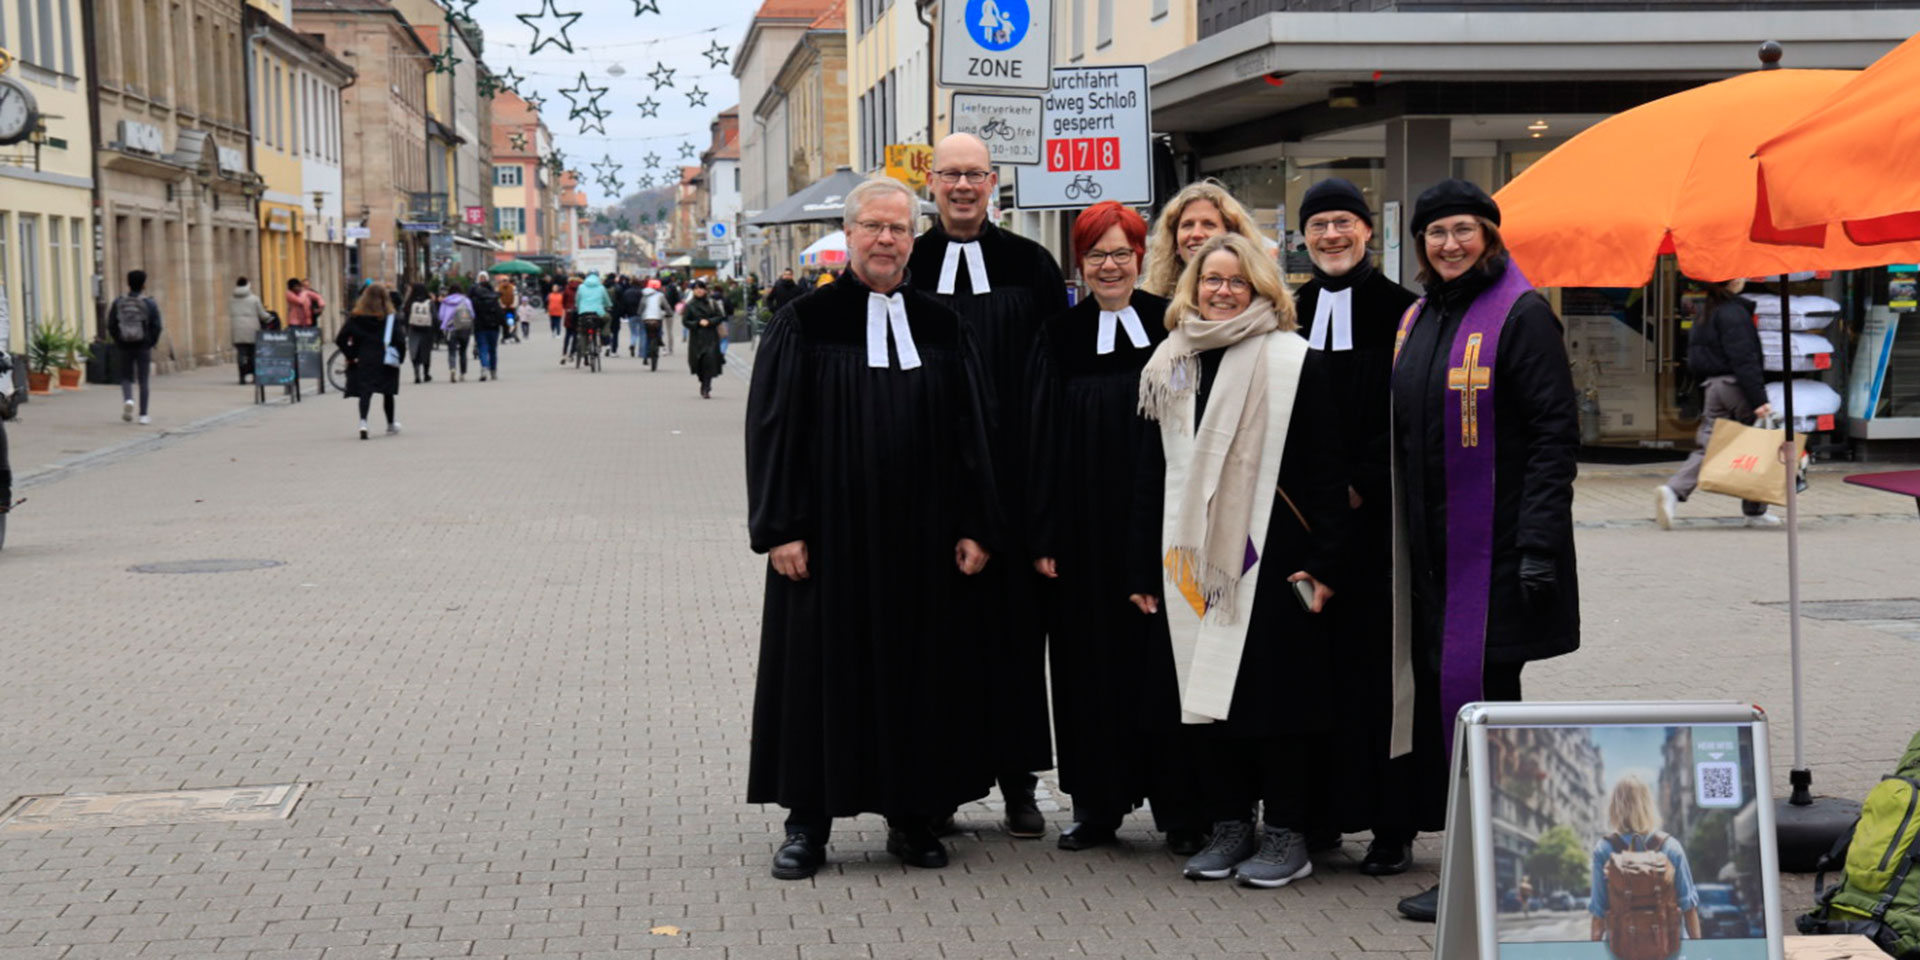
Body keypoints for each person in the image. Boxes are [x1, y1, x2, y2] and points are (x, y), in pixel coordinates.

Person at [745, 175, 999, 881]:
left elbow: (971, 434)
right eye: (873, 228)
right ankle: (808, 824)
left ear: (912, 238)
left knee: (918, 672)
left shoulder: (945, 327)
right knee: (818, 677)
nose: (886, 240)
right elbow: (773, 432)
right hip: (826, 542)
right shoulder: (805, 323)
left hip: (922, 541)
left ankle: (913, 816)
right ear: (850, 236)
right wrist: (781, 529)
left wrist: (978, 524)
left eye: (898, 228)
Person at [1129, 232, 1348, 889]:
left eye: (1236, 281)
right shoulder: (1171, 361)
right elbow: (1149, 475)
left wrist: (1325, 562)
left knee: (1274, 703)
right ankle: (1228, 824)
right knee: (1203, 696)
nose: (1222, 291)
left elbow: (1325, 471)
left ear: (1261, 289)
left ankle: (1286, 833)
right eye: (1210, 280)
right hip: (1192, 558)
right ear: (1191, 286)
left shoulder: (1292, 361)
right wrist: (1141, 568)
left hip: (1274, 555)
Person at [1389, 179, 1581, 922]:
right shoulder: (1419, 319)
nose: (1449, 245)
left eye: (1463, 230)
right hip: (1435, 561)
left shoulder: (1522, 315)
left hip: (1500, 560)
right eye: (1435, 234)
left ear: (1490, 235)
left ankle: (1500, 871)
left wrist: (1536, 545)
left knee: (1488, 710)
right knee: (1455, 711)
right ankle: (1488, 865)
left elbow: (1555, 439)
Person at [1026, 201, 1205, 855]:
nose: (1110, 264)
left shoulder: (1172, 325)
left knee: (1163, 670)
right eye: (1096, 254)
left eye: (1121, 252)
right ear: (1081, 262)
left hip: (1161, 523)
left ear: (1139, 256)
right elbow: (1039, 437)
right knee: (1085, 669)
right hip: (1081, 534)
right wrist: (1042, 534)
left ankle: (1180, 810)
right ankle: (1096, 807)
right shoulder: (1057, 335)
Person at [906, 132, 1068, 838]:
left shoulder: (1029, 263)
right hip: (932, 486)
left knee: (1015, 638)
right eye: (951, 175)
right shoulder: (907, 260)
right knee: (940, 640)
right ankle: (937, 783)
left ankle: (1019, 782)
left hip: (1017, 475)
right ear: (932, 182)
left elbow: (1056, 373)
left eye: (975, 174)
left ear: (994, 181)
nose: (963, 186)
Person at [1288, 179, 1424, 874]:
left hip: (1378, 526)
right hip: (1309, 523)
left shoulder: (1404, 312)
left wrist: (1360, 482)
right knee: (1314, 672)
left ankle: (1390, 827)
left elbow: (1408, 415)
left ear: (1369, 231)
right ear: (1303, 236)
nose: (1331, 236)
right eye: (1319, 226)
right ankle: (1317, 819)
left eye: (1343, 223)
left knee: (1379, 675)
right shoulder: (1290, 308)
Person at [1656, 278, 1779, 529]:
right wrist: (1759, 400)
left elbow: (1694, 356)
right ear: (1733, 281)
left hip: (1712, 386)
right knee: (1758, 442)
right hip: (1736, 386)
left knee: (1710, 445)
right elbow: (1744, 358)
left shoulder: (1705, 310)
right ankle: (1755, 511)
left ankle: (1673, 490)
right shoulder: (1734, 312)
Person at [1589, 776, 1701, 944]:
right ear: (1648, 805)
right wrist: (1698, 950)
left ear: (1615, 807)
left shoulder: (1604, 849)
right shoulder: (1670, 846)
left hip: (1621, 950)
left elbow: (1598, 913)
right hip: (1668, 949)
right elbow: (1688, 908)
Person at [1140, 181, 1264, 297]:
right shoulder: (1153, 305)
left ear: (1233, 236)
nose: (1196, 234)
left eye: (1208, 224)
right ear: (1174, 241)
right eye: (1187, 225)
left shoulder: (1260, 303)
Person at [335, 282, 405, 439]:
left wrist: (351, 354)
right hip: (385, 358)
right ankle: (390, 424)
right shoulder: (389, 318)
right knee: (388, 392)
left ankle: (363, 422)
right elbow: (399, 340)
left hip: (364, 358)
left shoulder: (356, 318)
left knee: (365, 392)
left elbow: (340, 338)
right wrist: (400, 357)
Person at [108, 269, 163, 425]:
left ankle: (129, 399)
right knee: (143, 379)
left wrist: (118, 339)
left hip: (124, 343)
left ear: (128, 283)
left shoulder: (119, 302)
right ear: (144, 285)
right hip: (143, 344)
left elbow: (111, 324)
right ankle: (143, 415)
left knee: (125, 376)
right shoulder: (149, 303)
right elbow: (157, 325)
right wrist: (150, 341)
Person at [684, 278, 726, 398]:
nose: (699, 291)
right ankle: (703, 381)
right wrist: (697, 323)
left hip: (711, 337)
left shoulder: (712, 303)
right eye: (696, 289)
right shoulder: (690, 305)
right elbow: (685, 321)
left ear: (705, 290)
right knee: (698, 364)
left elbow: (720, 316)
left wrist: (709, 321)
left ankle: (706, 387)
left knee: (709, 362)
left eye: (701, 288)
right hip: (696, 338)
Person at [229, 276, 272, 385]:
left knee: (241, 353)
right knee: (253, 353)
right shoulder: (254, 299)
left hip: (237, 329)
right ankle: (254, 376)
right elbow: (262, 314)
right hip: (252, 329)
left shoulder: (231, 299)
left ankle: (242, 376)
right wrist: (269, 318)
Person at [469, 272, 506, 381]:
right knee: (493, 350)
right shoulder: (494, 298)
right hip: (493, 327)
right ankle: (493, 371)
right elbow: (499, 313)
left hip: (480, 327)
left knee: (483, 348)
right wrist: (505, 327)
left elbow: (472, 313)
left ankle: (484, 367)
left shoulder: (475, 300)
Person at [439, 285, 475, 382]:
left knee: (452, 351)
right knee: (463, 351)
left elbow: (441, 316)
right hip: (464, 328)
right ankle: (462, 373)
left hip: (451, 329)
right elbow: (472, 314)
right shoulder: (466, 300)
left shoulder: (445, 301)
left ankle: (452, 369)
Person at [574, 272, 611, 363]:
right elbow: (606, 300)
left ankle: (584, 351)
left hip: (584, 313)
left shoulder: (581, 287)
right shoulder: (601, 288)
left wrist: (578, 307)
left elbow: (577, 300)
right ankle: (604, 334)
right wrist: (608, 305)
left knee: (583, 332)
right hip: (598, 313)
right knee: (608, 318)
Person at [404, 284, 437, 384]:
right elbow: (435, 317)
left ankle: (416, 372)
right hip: (427, 330)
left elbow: (404, 316)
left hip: (413, 329)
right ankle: (426, 374)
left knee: (414, 351)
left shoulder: (410, 302)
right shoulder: (429, 302)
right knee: (426, 351)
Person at [639, 278, 667, 371]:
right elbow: (666, 306)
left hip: (646, 319)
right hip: (657, 319)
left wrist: (639, 313)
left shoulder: (644, 295)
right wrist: (669, 313)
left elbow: (641, 307)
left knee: (647, 336)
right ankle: (659, 341)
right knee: (658, 331)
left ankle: (646, 356)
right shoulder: (660, 295)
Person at [497, 276, 522, 343]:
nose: (505, 282)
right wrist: (501, 305)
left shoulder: (513, 287)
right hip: (503, 309)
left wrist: (514, 305)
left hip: (511, 308)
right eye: (504, 281)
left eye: (506, 281)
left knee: (511, 322)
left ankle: (513, 335)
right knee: (504, 323)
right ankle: (505, 336)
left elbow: (516, 297)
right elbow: (498, 298)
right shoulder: (499, 288)